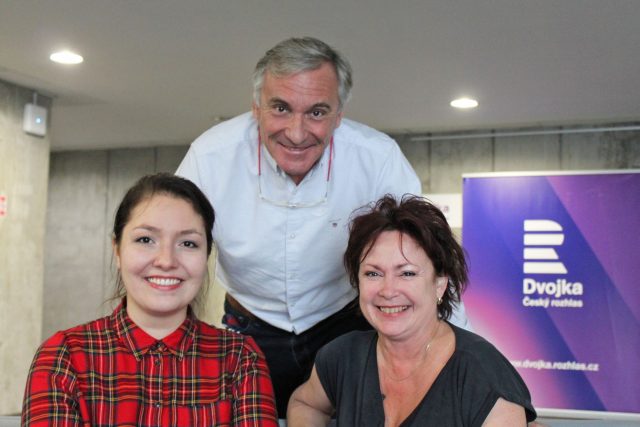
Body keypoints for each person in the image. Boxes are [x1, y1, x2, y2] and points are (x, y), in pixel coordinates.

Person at [176, 36, 470, 416]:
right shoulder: (210, 156)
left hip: (346, 324)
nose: (297, 134)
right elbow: (170, 250)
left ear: (339, 115)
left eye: (317, 113)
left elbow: (430, 256)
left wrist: (470, 363)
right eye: (280, 108)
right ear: (255, 108)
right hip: (249, 325)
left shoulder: (377, 158)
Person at [22, 173, 277, 426]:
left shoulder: (240, 358)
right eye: (145, 240)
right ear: (118, 250)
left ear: (206, 256)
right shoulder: (65, 356)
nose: (166, 261)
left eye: (188, 243)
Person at [288, 195, 537, 426]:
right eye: (373, 273)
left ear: (440, 285)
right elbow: (305, 404)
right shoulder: (342, 357)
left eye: (407, 273)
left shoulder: (482, 375)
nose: (388, 290)